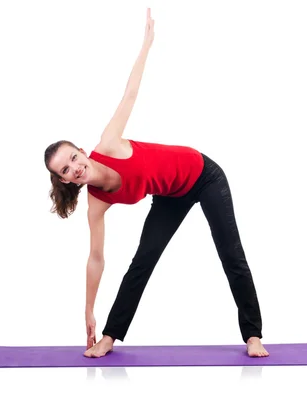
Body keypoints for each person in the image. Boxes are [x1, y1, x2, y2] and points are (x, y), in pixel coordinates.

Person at [44, 8, 269, 358]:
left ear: (83, 152)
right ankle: (109, 337)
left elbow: (129, 94)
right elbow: (96, 258)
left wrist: (146, 45)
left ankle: (253, 336)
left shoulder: (108, 144)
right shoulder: (96, 203)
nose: (74, 168)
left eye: (73, 158)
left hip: (204, 175)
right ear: (64, 180)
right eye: (65, 170)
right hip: (170, 195)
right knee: (143, 261)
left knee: (230, 253)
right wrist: (88, 309)